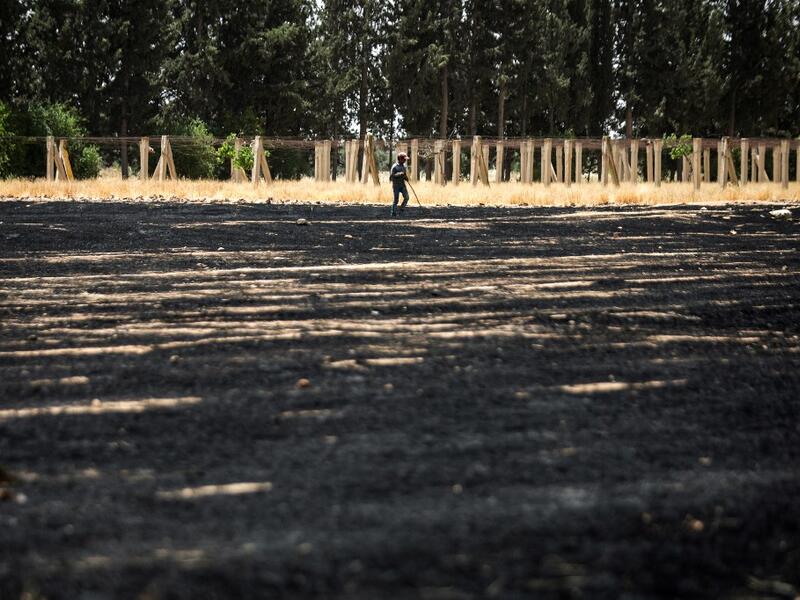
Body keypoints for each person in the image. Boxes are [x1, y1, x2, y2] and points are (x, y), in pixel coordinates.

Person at [390, 152, 410, 217]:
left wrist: (406, 178)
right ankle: (393, 213)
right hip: (396, 186)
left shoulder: (404, 166)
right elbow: (392, 176)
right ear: (400, 159)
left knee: (407, 197)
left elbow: (404, 175)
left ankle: (401, 209)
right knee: (396, 200)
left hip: (402, 185)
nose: (405, 160)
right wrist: (399, 174)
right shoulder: (394, 167)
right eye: (404, 159)